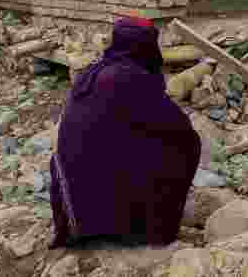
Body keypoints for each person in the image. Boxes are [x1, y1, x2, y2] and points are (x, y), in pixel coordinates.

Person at [49, 15, 202, 248]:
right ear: (145, 46)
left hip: (70, 189)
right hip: (90, 177)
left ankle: (102, 218)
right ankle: (142, 226)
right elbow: (178, 130)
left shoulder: (99, 70)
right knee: (185, 145)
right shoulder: (130, 78)